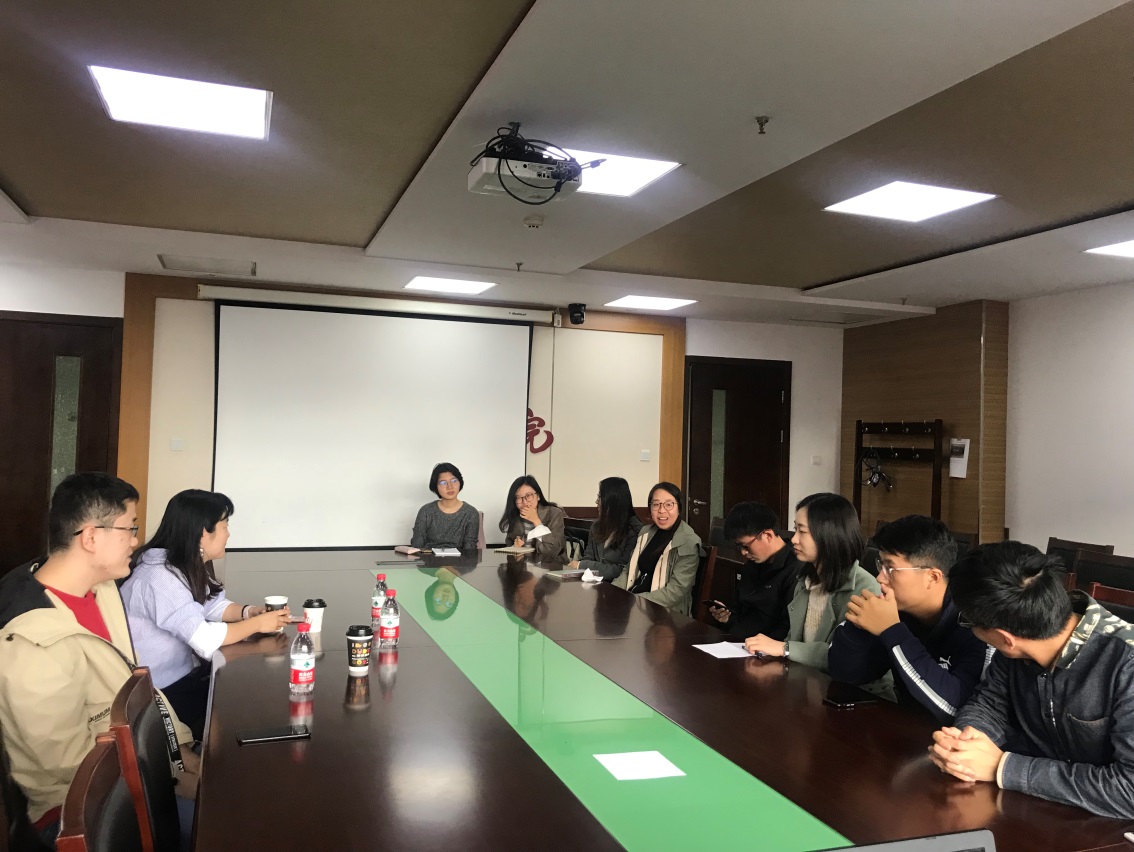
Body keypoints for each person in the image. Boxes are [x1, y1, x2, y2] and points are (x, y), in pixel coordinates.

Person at [0, 473, 198, 848]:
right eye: (130, 528)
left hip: (137, 764)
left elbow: (134, 685)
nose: (136, 540)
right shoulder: (29, 640)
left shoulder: (101, 589)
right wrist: (173, 779)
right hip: (80, 808)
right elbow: (70, 765)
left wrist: (182, 752)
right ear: (91, 537)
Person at [929, 541, 1134, 819]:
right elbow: (989, 704)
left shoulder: (1126, 664)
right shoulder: (1019, 643)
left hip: (1110, 827)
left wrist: (1003, 767)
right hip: (1041, 812)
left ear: (1004, 638)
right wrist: (966, 744)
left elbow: (1129, 790)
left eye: (968, 622)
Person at [121, 489, 291, 740]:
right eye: (225, 526)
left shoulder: (178, 564)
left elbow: (209, 605)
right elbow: (204, 639)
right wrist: (257, 624)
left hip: (180, 678)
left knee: (246, 693)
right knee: (247, 705)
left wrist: (247, 612)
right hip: (158, 694)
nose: (228, 533)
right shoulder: (159, 577)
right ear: (203, 533)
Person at [828, 515, 991, 722]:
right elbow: (846, 675)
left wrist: (892, 631)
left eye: (890, 568)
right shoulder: (898, 612)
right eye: (880, 565)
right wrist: (858, 627)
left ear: (932, 577)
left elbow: (954, 707)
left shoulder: (976, 625)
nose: (879, 578)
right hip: (904, 730)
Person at [743, 492, 881, 673]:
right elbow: (794, 640)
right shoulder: (805, 580)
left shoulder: (865, 588)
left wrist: (784, 648)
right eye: (795, 529)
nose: (794, 539)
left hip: (848, 687)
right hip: (806, 678)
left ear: (828, 534)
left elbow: (843, 655)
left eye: (802, 531)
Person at [712, 501, 803, 640]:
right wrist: (727, 618)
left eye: (745, 546)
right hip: (738, 641)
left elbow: (788, 628)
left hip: (766, 647)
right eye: (739, 547)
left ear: (767, 535)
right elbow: (741, 610)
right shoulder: (753, 564)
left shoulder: (796, 568)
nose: (743, 552)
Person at [614, 482, 701, 616]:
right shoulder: (646, 532)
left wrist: (633, 601)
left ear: (679, 508)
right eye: (656, 504)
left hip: (665, 613)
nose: (661, 510)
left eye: (669, 504)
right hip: (635, 603)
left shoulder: (688, 541)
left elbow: (675, 592)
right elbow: (628, 570)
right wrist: (613, 592)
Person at [568, 476, 643, 581]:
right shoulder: (596, 527)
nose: (596, 501)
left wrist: (582, 565)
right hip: (594, 583)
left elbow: (621, 570)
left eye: (600, 497)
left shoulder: (635, 530)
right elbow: (588, 557)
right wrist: (583, 566)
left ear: (612, 500)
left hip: (617, 586)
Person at [410, 462, 481, 551]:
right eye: (443, 483)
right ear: (435, 486)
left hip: (460, 559)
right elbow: (417, 546)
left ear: (460, 482)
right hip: (429, 558)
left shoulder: (470, 513)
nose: (450, 486)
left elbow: (469, 550)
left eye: (454, 481)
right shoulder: (426, 511)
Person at [499, 475, 567, 564]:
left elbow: (552, 552)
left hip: (551, 567)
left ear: (538, 496)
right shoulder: (516, 517)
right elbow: (509, 543)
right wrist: (516, 547)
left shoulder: (554, 513)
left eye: (528, 495)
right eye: (518, 498)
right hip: (524, 569)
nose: (524, 502)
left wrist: (536, 521)